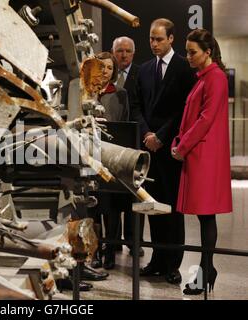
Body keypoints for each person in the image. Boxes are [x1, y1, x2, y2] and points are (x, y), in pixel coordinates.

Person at [132, 18, 196, 284]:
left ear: (171, 38)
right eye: (150, 38)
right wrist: (147, 134)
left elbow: (184, 109)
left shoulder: (184, 67)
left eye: (159, 39)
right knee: (152, 205)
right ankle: (157, 260)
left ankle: (173, 264)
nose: (154, 43)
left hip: (170, 148)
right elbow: (136, 105)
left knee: (171, 208)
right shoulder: (145, 69)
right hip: (148, 149)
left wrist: (160, 136)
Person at [171, 29, 232, 295]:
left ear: (208, 52)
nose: (188, 57)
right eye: (187, 51)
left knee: (206, 216)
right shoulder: (205, 77)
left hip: (204, 156)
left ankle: (207, 271)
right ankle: (207, 269)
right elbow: (193, 117)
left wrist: (182, 146)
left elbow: (205, 120)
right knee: (203, 216)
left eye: (193, 52)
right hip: (197, 154)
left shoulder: (215, 77)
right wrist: (179, 141)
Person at [88, 51, 130, 270]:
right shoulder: (86, 91)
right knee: (93, 206)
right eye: (101, 66)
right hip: (88, 155)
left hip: (111, 155)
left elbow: (124, 123)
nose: (105, 71)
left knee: (112, 207)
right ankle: (95, 251)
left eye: (109, 68)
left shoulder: (120, 94)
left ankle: (110, 253)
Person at [112, 36, 145, 257]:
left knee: (135, 194)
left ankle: (135, 242)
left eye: (127, 51)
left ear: (133, 53)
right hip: (112, 142)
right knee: (111, 197)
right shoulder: (106, 74)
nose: (123, 55)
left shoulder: (141, 74)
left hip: (134, 142)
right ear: (113, 53)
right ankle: (111, 242)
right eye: (119, 51)